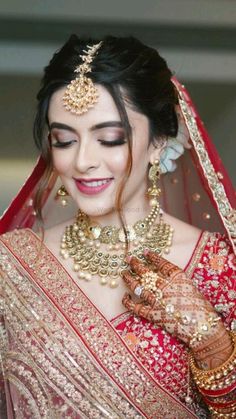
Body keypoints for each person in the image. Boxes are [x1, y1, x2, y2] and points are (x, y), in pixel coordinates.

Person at [0, 35, 235, 418]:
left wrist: (212, 343)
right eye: (63, 140)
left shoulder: (218, 266)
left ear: (160, 141)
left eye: (109, 139)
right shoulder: (11, 266)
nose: (82, 161)